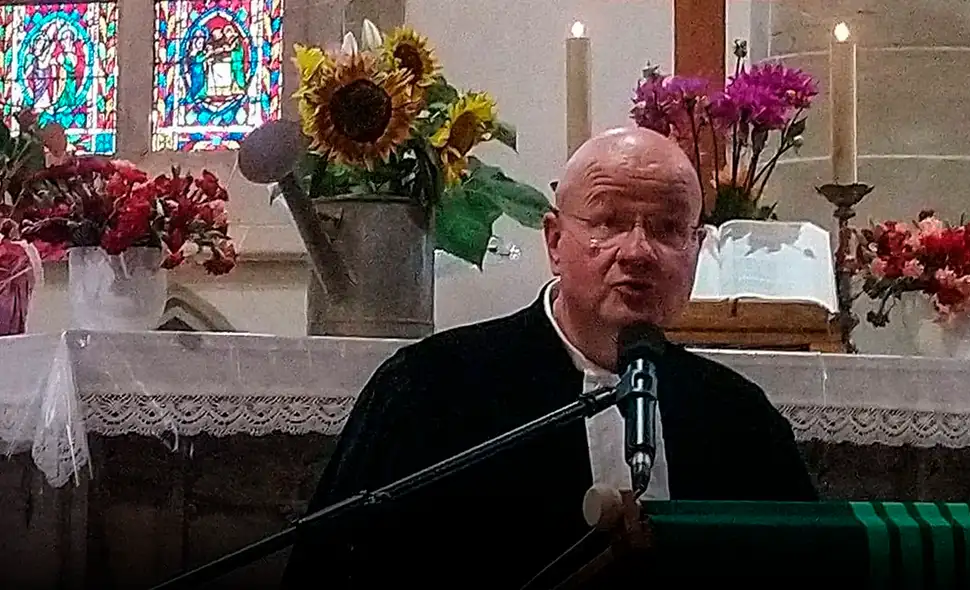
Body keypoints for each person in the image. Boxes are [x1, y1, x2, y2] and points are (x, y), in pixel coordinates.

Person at [281, 127, 817, 588]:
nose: (637, 251)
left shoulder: (738, 417)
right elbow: (332, 577)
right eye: (607, 223)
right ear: (555, 241)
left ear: (696, 251)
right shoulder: (430, 388)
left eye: (668, 228)